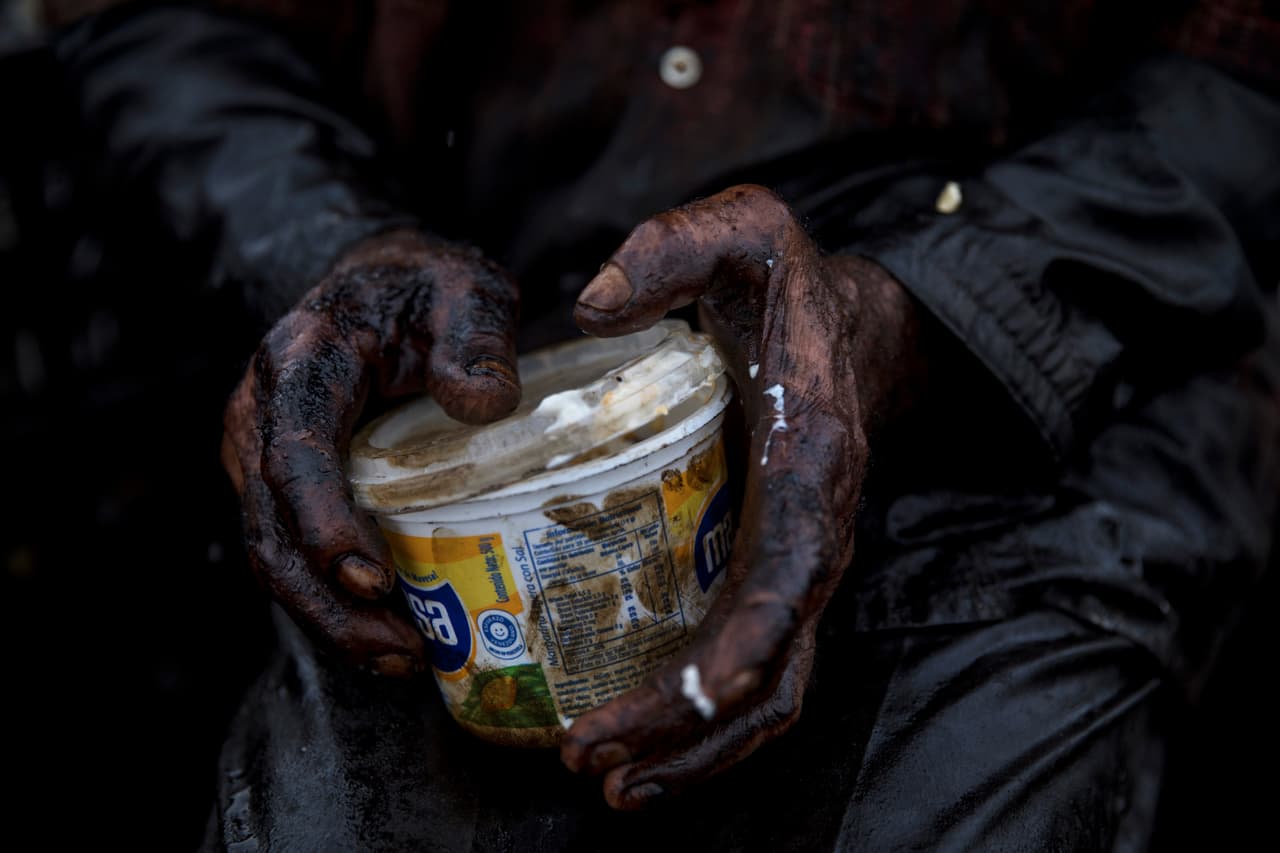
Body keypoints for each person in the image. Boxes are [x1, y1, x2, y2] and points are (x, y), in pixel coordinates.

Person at [40, 0, 1280, 849]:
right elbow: (173, 26)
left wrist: (921, 310)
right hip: (479, 417)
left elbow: (1240, 78)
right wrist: (333, 252)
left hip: (1035, 391)